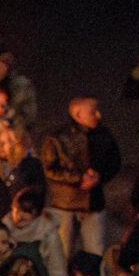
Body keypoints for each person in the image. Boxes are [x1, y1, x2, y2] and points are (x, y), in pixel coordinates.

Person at [40, 98, 121, 258]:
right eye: (93, 112)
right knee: (62, 254)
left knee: (95, 254)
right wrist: (79, 179)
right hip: (65, 205)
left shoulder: (104, 135)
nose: (98, 115)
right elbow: (49, 169)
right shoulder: (57, 138)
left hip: (93, 203)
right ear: (78, 115)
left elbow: (115, 162)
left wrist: (99, 177)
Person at [4, 187, 69, 276]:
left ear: (36, 214)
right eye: (17, 210)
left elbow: (56, 265)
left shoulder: (46, 232)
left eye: (26, 212)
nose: (20, 216)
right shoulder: (4, 228)